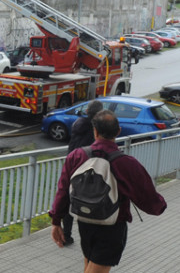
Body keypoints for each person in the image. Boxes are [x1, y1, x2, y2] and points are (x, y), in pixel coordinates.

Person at [49, 110, 166, 272]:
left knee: (89, 265)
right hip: (112, 227)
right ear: (118, 131)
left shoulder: (76, 156)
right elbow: (147, 196)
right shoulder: (126, 163)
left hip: (84, 222)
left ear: (95, 131)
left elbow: (62, 191)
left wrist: (56, 221)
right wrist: (160, 206)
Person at [61, 99, 105, 245]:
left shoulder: (77, 124)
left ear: (87, 111)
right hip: (88, 168)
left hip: (71, 164)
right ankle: (90, 236)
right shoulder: (96, 129)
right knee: (87, 201)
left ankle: (66, 235)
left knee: (68, 199)